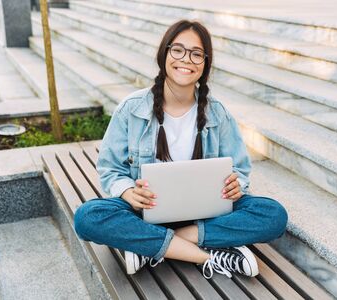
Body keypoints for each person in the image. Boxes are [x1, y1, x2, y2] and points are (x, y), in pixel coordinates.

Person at [74, 19, 288, 279]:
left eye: (197, 54)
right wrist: (128, 191)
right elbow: (110, 169)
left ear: (204, 64)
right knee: (88, 217)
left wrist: (236, 185)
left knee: (274, 216)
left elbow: (239, 170)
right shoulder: (132, 108)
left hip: (203, 215)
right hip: (146, 212)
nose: (186, 59)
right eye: (178, 50)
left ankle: (149, 245)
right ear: (164, 53)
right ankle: (210, 255)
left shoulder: (217, 114)